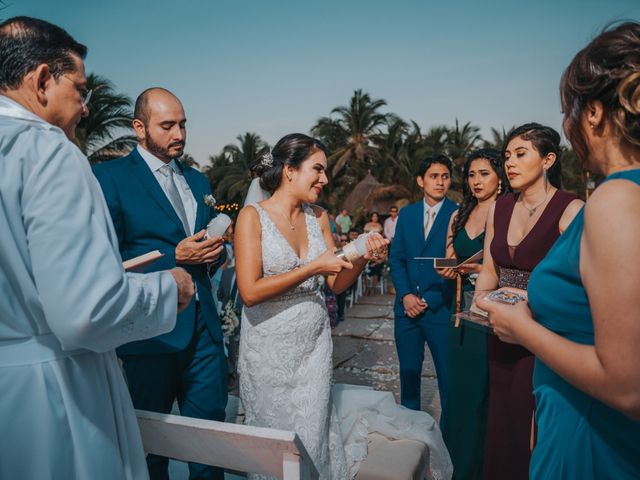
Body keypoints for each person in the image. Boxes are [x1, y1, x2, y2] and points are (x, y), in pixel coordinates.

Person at [0, 16, 194, 480]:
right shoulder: (47, 151)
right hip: (52, 392)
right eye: (80, 89)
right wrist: (169, 288)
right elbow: (86, 312)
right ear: (42, 79)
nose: (85, 107)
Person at [235, 133, 451, 480]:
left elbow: (336, 282)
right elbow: (249, 291)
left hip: (314, 346)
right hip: (268, 348)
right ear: (290, 170)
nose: (324, 178)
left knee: (313, 429)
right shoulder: (251, 217)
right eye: (317, 170)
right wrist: (312, 267)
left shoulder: (318, 218)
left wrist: (365, 255)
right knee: (275, 434)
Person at [477, 22, 640, 479]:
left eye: (568, 113)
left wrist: (520, 326)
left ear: (592, 114)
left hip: (592, 435)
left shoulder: (615, 199)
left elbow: (627, 385)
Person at [93, 88, 227, 480]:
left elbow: (204, 247)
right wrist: (175, 259)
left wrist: (214, 252)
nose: (179, 134)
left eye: (182, 124)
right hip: (148, 336)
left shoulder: (199, 180)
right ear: (139, 127)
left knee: (210, 445)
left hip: (204, 334)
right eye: (167, 125)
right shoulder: (110, 177)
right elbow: (104, 261)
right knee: (149, 449)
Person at [473, 124, 583, 480]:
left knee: (536, 424)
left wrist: (534, 298)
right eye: (507, 156)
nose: (511, 163)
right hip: (500, 332)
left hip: (544, 334)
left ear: (548, 159)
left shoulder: (571, 209)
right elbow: (490, 268)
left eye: (521, 154)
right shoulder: (499, 208)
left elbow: (584, 283)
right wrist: (479, 303)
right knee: (502, 421)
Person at [437, 148, 509, 479]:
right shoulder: (458, 216)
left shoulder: (509, 212)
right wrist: (450, 270)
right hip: (461, 316)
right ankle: (454, 466)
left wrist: (485, 270)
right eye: (471, 174)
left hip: (494, 316)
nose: (476, 181)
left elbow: (514, 265)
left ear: (499, 178)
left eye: (484, 174)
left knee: (486, 396)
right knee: (460, 395)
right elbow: (450, 257)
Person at [389, 155, 458, 411]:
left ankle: (450, 436)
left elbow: (457, 264)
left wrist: (429, 299)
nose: (440, 182)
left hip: (440, 308)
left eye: (445, 176)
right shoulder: (406, 215)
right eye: (433, 176)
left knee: (447, 377)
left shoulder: (458, 214)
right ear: (421, 180)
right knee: (408, 375)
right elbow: (396, 258)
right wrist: (405, 295)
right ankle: (410, 428)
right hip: (405, 311)